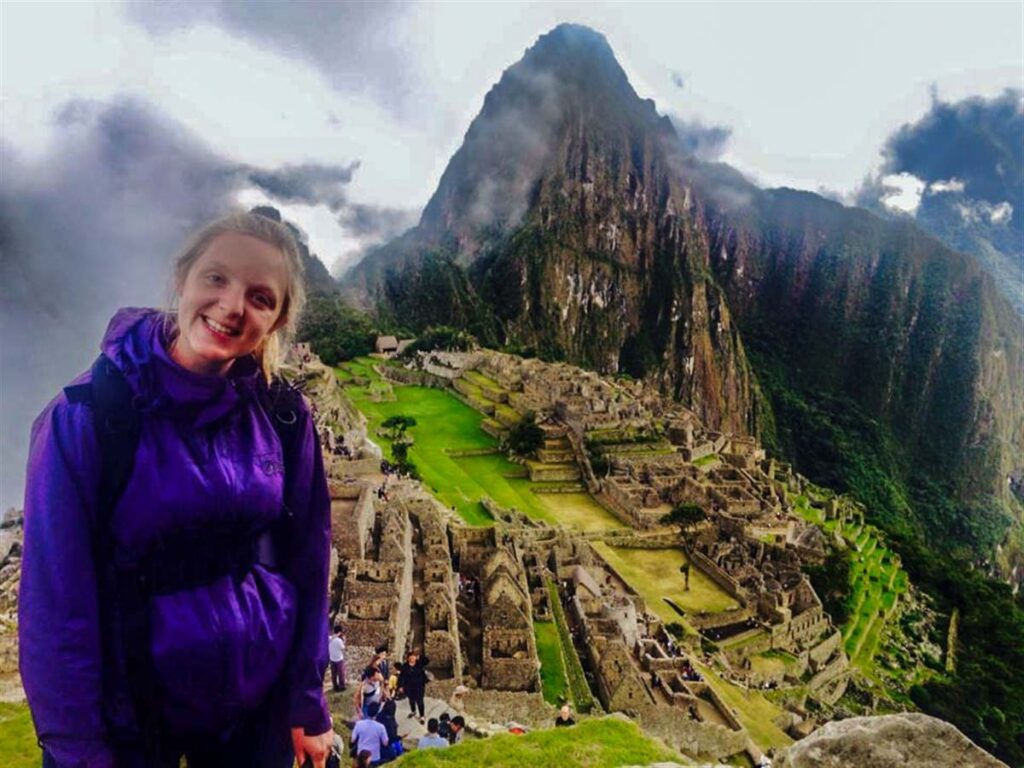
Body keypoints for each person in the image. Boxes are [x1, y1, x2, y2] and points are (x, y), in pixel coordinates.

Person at [18, 213, 334, 767]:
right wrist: (76, 752)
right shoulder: (89, 417)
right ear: (181, 279)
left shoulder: (282, 414)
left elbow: (307, 559)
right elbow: (55, 604)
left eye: (260, 297)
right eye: (216, 278)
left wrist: (306, 707)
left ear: (278, 319)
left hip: (254, 702)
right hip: (133, 711)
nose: (233, 306)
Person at [397, 650, 430, 722]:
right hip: (409, 687)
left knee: (420, 702)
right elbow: (401, 677)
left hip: (419, 687)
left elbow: (427, 660)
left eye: (413, 657)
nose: (412, 658)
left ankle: (422, 716)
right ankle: (413, 711)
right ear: (408, 658)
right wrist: (400, 686)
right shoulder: (405, 666)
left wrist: (420, 656)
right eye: (410, 657)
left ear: (415, 658)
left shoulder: (419, 664)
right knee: (411, 700)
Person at [329, 625, 348, 692]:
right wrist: (344, 641)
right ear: (340, 632)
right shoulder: (339, 641)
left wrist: (337, 635)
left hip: (332, 659)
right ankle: (342, 686)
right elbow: (343, 648)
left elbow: (330, 638)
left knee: (333, 674)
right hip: (339, 659)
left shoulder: (330, 638)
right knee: (341, 674)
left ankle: (335, 686)